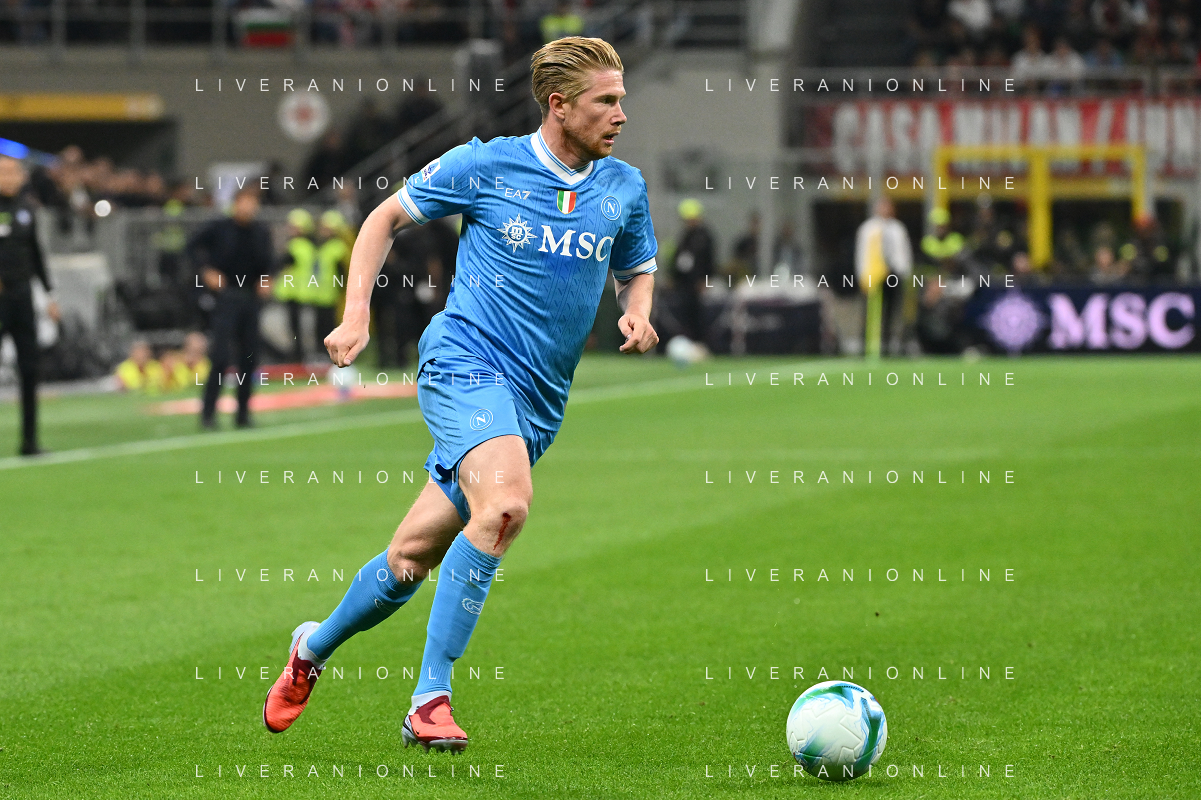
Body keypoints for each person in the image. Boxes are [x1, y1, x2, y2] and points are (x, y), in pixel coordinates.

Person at [262, 36, 659, 752]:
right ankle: (429, 699)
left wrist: (637, 309)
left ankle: (310, 649)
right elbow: (382, 219)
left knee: (410, 558)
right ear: (559, 105)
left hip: (536, 401)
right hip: (464, 362)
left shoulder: (623, 187)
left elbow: (636, 266)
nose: (620, 114)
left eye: (621, 99)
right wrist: (356, 314)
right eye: (606, 101)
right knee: (505, 508)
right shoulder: (486, 164)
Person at [187, 187, 275, 429]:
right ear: (235, 203)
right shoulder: (219, 228)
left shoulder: (261, 232)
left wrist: (267, 278)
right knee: (221, 356)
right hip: (226, 298)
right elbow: (191, 247)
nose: (249, 207)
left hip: (250, 300)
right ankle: (208, 414)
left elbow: (269, 262)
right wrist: (206, 270)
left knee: (249, 357)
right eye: (244, 202)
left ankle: (243, 414)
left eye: (253, 202)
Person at [0, 155, 59, 455]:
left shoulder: (26, 210)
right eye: (3, 172)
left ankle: (29, 440)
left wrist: (49, 296)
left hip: (22, 297)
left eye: (13, 172)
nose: (9, 178)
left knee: (30, 367)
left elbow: (36, 255)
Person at [855, 196, 913, 355]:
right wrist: (862, 275)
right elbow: (861, 253)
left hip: (894, 272)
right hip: (874, 274)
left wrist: (904, 272)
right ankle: (865, 347)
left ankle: (886, 347)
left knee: (891, 311)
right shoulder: (867, 228)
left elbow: (904, 251)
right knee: (870, 312)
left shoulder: (898, 228)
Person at [668, 198, 715, 342]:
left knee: (698, 314)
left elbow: (708, 261)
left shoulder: (704, 237)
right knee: (685, 314)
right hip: (684, 284)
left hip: (697, 284)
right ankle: (688, 341)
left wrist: (705, 280)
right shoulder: (685, 236)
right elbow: (679, 259)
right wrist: (674, 278)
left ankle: (700, 342)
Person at [275, 208, 317, 363]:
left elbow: (284, 262)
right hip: (298, 291)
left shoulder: (298, 245)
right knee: (296, 327)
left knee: (296, 327)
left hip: (296, 291)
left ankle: (298, 357)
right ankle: (298, 355)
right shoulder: (307, 245)